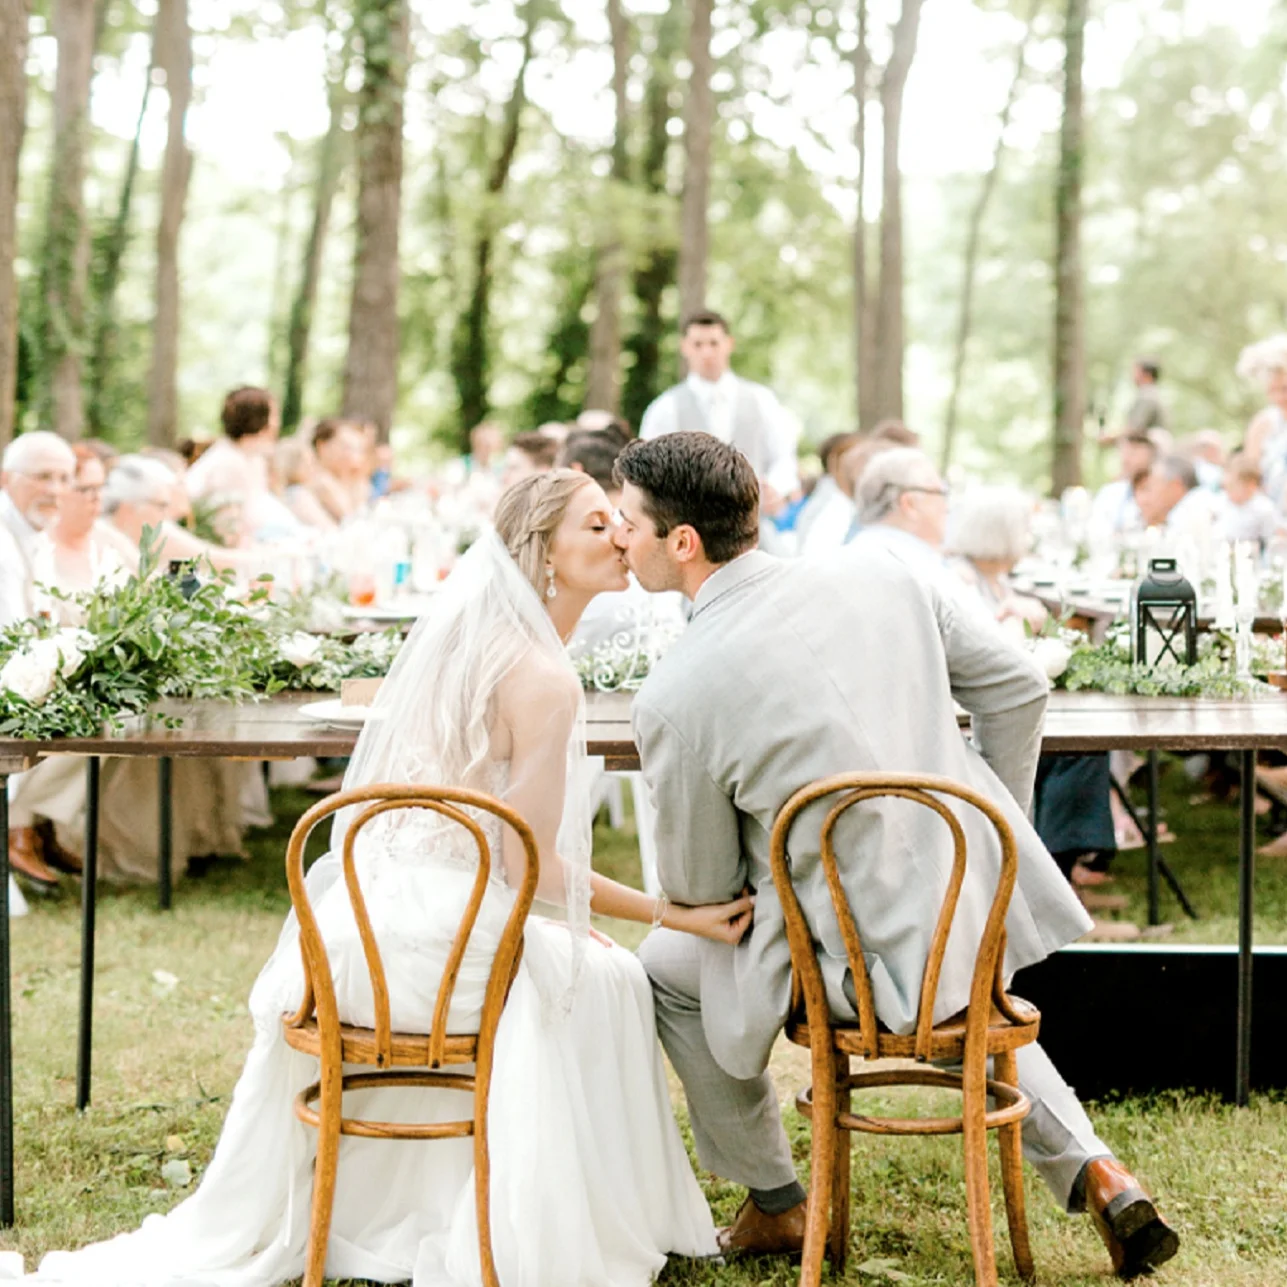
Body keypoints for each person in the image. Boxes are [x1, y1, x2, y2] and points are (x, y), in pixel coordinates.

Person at [28, 469, 755, 1287]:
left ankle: (407, 1198)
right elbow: (529, 864)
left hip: (359, 924)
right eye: (597, 527)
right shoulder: (544, 677)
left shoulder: (463, 644)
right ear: (543, 556)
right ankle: (507, 1219)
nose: (622, 537)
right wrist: (673, 913)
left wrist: (552, 912)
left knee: (576, 958)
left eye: (617, 524)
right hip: (427, 950)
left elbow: (496, 857)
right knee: (614, 978)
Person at [612, 432, 1179, 1279]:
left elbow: (703, 892)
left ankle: (775, 1201)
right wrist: (989, 830)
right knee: (963, 991)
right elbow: (1020, 686)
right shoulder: (881, 572)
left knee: (661, 964)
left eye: (628, 523)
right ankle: (1099, 1171)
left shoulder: (675, 693)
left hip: (846, 965)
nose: (619, 539)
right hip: (970, 912)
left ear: (681, 541)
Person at [639, 310, 799, 498]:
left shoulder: (762, 400)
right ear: (684, 347)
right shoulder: (665, 407)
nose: (706, 352)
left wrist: (775, 486)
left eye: (714, 343)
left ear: (729, 344)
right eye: (698, 344)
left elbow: (783, 457)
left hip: (754, 519)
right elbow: (648, 470)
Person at [0, 430, 76, 630]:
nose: (54, 490)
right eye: (43, 477)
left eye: (64, 479)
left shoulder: (36, 532)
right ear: (6, 479)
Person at [1238, 334, 1287, 509]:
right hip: (1271, 507)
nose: (1280, 397)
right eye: (1272, 390)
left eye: (1284, 389)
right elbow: (1250, 471)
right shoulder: (1262, 423)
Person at [1090, 432, 1155, 535]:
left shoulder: (1158, 495)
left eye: (1134, 454)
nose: (1127, 459)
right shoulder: (1109, 492)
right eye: (1125, 453)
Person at [1218, 451, 1280, 548]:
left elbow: (1270, 541)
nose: (1227, 491)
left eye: (1232, 486)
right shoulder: (1222, 502)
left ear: (1251, 486)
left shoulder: (1263, 509)